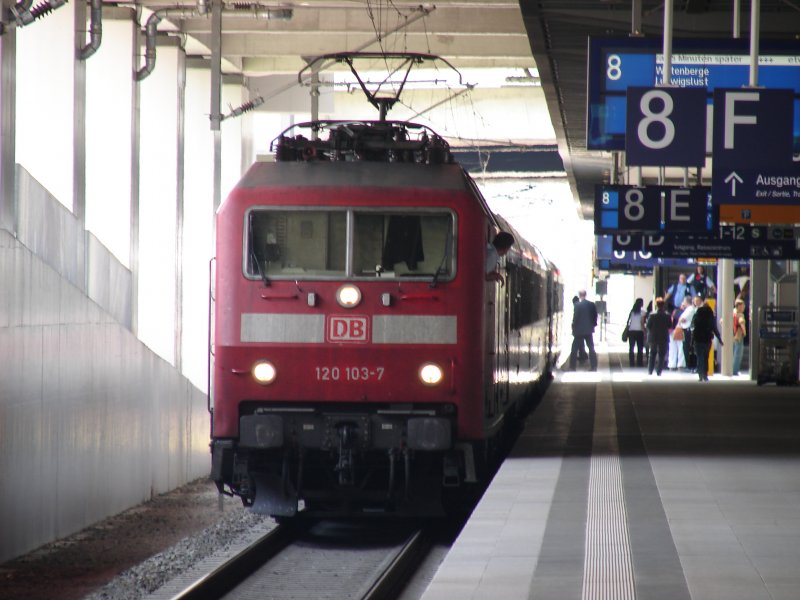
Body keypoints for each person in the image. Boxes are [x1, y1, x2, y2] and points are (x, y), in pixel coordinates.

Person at [691, 299, 723, 382]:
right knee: (706, 357)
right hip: (707, 339)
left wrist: (691, 341)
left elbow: (693, 328)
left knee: (699, 357)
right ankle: (705, 375)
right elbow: (714, 328)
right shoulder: (710, 316)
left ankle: (700, 375)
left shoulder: (697, 315)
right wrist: (719, 339)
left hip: (698, 339)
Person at [568, 290, 598, 371]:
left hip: (579, 331)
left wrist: (573, 327)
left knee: (574, 349)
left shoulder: (577, 305)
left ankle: (572, 367)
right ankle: (594, 366)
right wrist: (593, 325)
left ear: (579, 295)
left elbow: (575, 318)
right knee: (591, 348)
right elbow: (595, 316)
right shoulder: (591, 304)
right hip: (589, 330)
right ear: (585, 295)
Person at [645, 297, 671, 376]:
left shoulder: (652, 315)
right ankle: (659, 371)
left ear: (656, 305)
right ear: (663, 305)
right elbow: (670, 325)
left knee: (652, 353)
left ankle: (650, 370)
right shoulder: (667, 315)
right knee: (662, 354)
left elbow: (648, 326)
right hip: (663, 337)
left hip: (653, 337)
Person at [678, 295, 703, 371]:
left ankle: (691, 366)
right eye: (694, 301)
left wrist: (681, 321)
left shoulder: (692, 309)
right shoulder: (693, 309)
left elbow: (682, 319)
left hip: (691, 331)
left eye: (697, 301)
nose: (695, 302)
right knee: (688, 349)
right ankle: (691, 366)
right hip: (689, 330)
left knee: (689, 348)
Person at [625, 298, 646, 367]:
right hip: (639, 332)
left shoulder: (632, 312)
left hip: (631, 331)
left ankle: (632, 363)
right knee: (640, 348)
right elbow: (642, 323)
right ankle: (639, 363)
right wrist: (645, 331)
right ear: (641, 304)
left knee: (631, 348)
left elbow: (628, 322)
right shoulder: (643, 313)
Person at [732, 298, 747, 375]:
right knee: (738, 353)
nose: (744, 307)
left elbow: (722, 321)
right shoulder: (740, 314)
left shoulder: (732, 312)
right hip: (738, 335)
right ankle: (735, 370)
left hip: (732, 335)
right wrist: (744, 332)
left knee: (734, 353)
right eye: (743, 306)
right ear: (739, 306)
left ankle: (732, 369)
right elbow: (741, 322)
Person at [572, 295, 588, 362]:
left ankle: (573, 365)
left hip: (579, 330)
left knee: (574, 347)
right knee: (581, 344)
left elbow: (576, 319)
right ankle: (583, 355)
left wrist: (573, 326)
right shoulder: (581, 306)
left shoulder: (577, 307)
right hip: (583, 329)